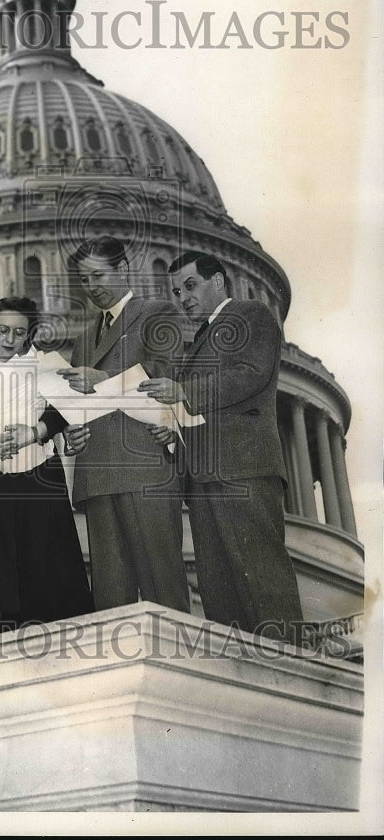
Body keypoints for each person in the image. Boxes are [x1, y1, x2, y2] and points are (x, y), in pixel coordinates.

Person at [138, 250, 304, 642]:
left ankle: (288, 672)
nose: (183, 298)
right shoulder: (198, 342)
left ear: (218, 281)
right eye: (177, 291)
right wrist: (173, 428)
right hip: (205, 474)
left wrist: (182, 392)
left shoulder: (252, 315)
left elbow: (248, 376)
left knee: (262, 578)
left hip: (242, 468)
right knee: (219, 589)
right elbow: (203, 410)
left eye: (191, 286)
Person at [0, 297, 93, 638]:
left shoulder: (46, 371)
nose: (10, 339)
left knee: (45, 585)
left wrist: (37, 431)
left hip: (39, 485)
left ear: (29, 337)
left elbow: (63, 408)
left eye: (19, 332)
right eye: (3, 330)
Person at [57, 236, 191, 614]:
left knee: (162, 591)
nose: (93, 287)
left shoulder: (157, 312)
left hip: (142, 467)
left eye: (99, 276)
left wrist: (98, 378)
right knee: (110, 600)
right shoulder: (84, 339)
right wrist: (73, 432)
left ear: (123, 269)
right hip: (97, 473)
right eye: (84, 280)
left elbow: (162, 371)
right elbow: (81, 403)